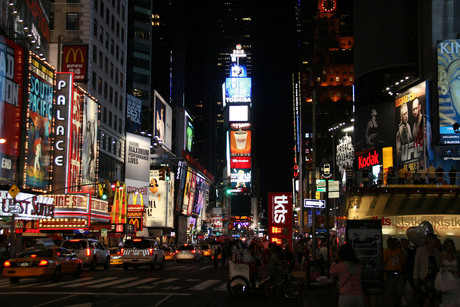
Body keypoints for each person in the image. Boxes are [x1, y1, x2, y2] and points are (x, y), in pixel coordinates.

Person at [413, 233, 441, 307]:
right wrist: (415, 277)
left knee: (435, 299)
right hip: (425, 277)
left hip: (435, 277)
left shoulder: (436, 251)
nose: (435, 241)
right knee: (426, 298)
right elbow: (416, 264)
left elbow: (439, 263)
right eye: (434, 240)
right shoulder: (421, 249)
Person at [383, 238, 407, 307]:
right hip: (390, 273)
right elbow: (384, 263)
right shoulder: (386, 251)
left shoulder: (399, 251)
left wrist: (404, 272)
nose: (389, 245)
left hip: (399, 273)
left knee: (399, 290)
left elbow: (403, 262)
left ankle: (397, 302)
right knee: (390, 291)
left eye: (390, 244)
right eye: (388, 244)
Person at [440, 238, 460, 306]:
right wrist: (448, 271)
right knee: (446, 298)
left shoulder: (455, 255)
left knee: (456, 296)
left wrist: (456, 271)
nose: (450, 247)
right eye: (448, 246)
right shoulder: (442, 254)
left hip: (455, 278)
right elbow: (440, 267)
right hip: (446, 278)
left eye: (451, 246)